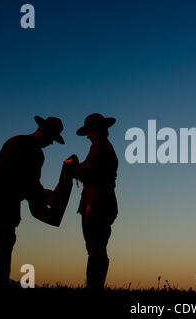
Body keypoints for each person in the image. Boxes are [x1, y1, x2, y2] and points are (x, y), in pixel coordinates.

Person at [0, 116, 76, 287]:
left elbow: (31, 182)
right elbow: (13, 175)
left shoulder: (35, 153)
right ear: (41, 132)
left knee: (2, 246)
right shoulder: (17, 143)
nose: (52, 143)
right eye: (51, 138)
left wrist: (42, 193)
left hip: (5, 200)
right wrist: (42, 194)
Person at [75, 113, 118, 290]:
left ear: (97, 131)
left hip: (97, 201)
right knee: (97, 245)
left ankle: (94, 289)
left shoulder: (100, 149)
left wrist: (74, 169)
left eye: (90, 131)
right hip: (102, 200)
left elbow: (89, 171)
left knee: (95, 245)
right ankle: (95, 287)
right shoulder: (103, 148)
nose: (88, 136)